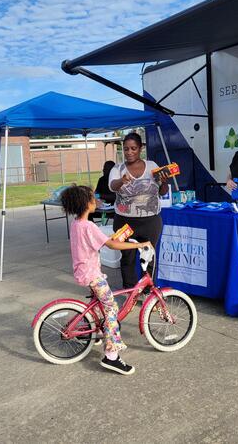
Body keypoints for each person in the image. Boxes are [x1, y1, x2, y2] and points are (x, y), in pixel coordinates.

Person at [60, 184, 151, 375]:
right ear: (86, 204)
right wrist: (139, 245)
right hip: (93, 274)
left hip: (83, 271)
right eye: (93, 199)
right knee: (111, 309)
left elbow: (100, 240)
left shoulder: (77, 224)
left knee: (101, 305)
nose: (96, 202)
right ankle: (112, 356)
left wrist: (115, 238)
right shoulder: (89, 225)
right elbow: (111, 245)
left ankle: (99, 331)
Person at [108, 132, 170, 288]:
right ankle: (129, 291)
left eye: (133, 148)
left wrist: (164, 182)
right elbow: (112, 187)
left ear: (141, 148)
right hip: (124, 222)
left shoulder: (152, 166)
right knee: (127, 257)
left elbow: (162, 192)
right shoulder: (118, 168)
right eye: (126, 149)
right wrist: (122, 180)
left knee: (149, 255)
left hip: (150, 221)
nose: (129, 152)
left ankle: (149, 290)